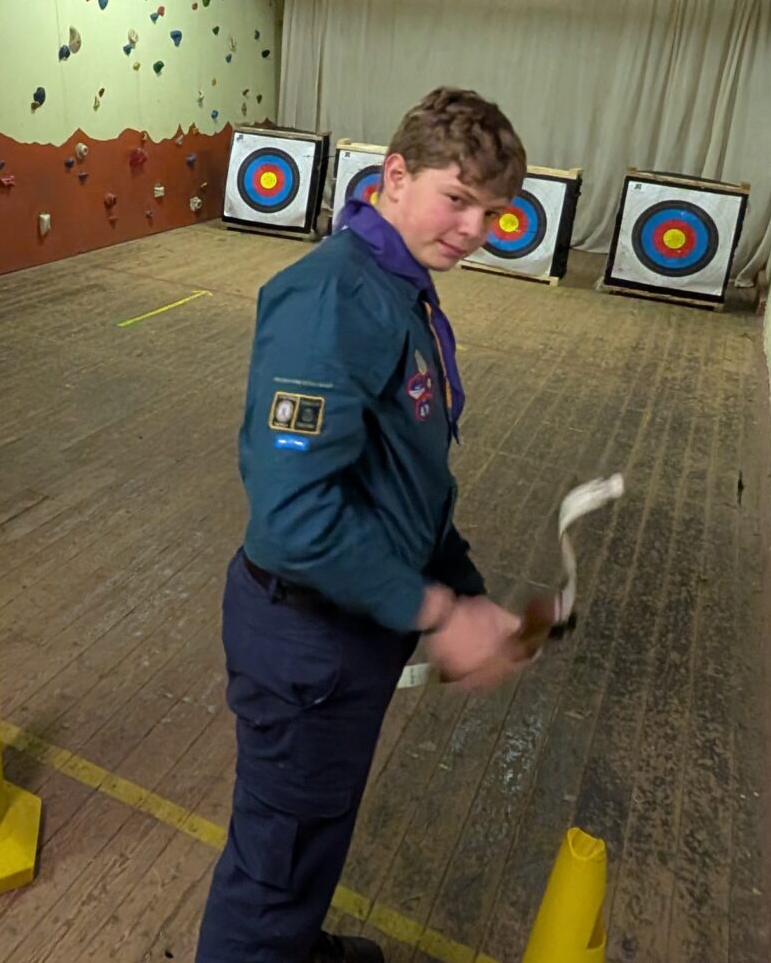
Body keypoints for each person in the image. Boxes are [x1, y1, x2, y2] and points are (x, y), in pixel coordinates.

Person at [197, 87, 539, 963]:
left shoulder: (396, 287)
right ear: (394, 175)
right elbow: (294, 520)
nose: (474, 230)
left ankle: (291, 945)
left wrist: (465, 589)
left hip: (351, 630)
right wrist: (438, 611)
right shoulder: (333, 299)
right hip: (307, 638)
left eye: (493, 212)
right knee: (276, 860)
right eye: (457, 199)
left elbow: (405, 477)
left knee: (314, 827)